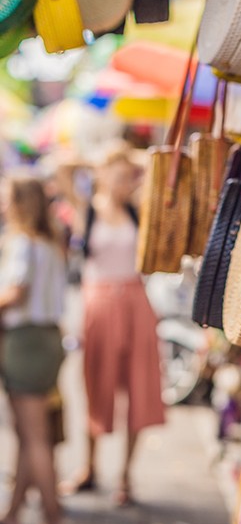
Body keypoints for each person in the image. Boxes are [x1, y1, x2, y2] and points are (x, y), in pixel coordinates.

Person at [64, 148, 164, 505]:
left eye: (128, 177)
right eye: (118, 176)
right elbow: (63, 165)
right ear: (102, 174)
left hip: (136, 302)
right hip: (98, 305)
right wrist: (102, 165)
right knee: (95, 386)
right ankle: (89, 468)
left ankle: (126, 477)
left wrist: (130, 161)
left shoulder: (137, 207)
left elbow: (157, 170)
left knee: (138, 388)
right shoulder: (87, 208)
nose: (126, 183)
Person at [0, 176, 68, 524]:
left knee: (35, 438)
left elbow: (15, 291)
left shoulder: (23, 243)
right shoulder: (51, 241)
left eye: (8, 198)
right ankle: (12, 515)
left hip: (26, 341)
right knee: (29, 437)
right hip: (46, 338)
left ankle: (54, 521)